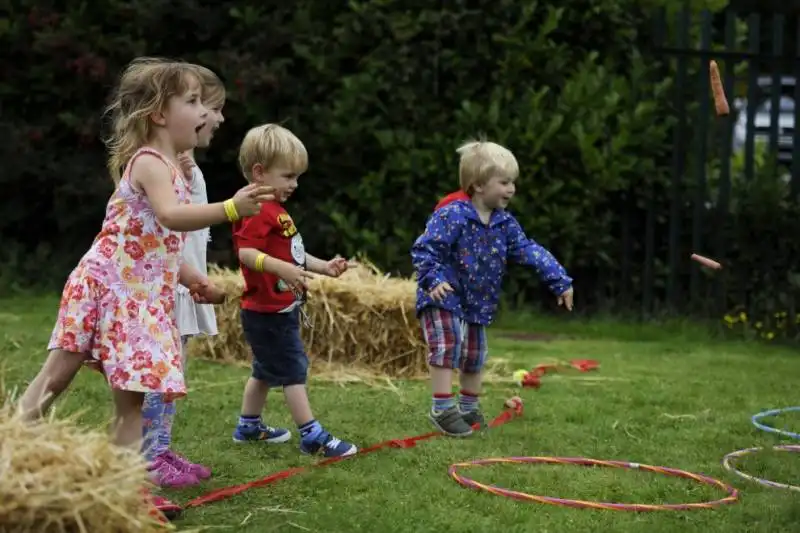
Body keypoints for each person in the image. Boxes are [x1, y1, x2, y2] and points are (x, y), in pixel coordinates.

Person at [15, 57, 273, 518]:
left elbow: (158, 244)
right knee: (58, 374)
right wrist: (231, 209)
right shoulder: (151, 162)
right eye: (192, 101)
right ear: (159, 113)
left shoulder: (173, 167)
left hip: (137, 297)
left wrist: (194, 279)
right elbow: (173, 218)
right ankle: (11, 448)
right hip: (105, 288)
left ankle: (124, 492)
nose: (204, 111)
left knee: (132, 400)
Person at [411, 140, 574, 437]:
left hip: (478, 299)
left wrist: (560, 280)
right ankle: (442, 409)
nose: (511, 189)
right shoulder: (452, 215)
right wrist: (433, 280)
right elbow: (425, 249)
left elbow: (528, 249)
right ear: (479, 185)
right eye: (504, 182)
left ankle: (468, 407)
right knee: (447, 344)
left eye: (513, 182)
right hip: (443, 294)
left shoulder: (504, 223)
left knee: (475, 353)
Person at [230, 123, 358, 458]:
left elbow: (292, 256)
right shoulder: (256, 210)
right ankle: (312, 435)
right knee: (292, 369)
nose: (294, 184)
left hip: (274, 309)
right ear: (260, 173)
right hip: (267, 311)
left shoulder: (276, 210)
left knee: (264, 369)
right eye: (288, 176)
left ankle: (248, 426)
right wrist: (280, 268)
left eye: (297, 176)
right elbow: (245, 253)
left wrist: (325, 266)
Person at [141, 64, 226, 488]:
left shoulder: (186, 167)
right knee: (157, 375)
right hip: (164, 288)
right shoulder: (162, 165)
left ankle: (160, 446)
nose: (219, 118)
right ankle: (148, 456)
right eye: (212, 108)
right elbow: (169, 221)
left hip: (182, 283)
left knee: (172, 375)